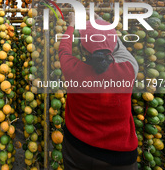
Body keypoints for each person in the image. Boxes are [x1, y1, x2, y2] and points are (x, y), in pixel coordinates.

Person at [58, 12, 139, 170]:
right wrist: (100, 23)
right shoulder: (129, 68)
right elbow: (117, 45)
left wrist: (71, 25)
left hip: (77, 149)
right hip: (118, 158)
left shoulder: (72, 69)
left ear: (81, 47)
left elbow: (64, 50)